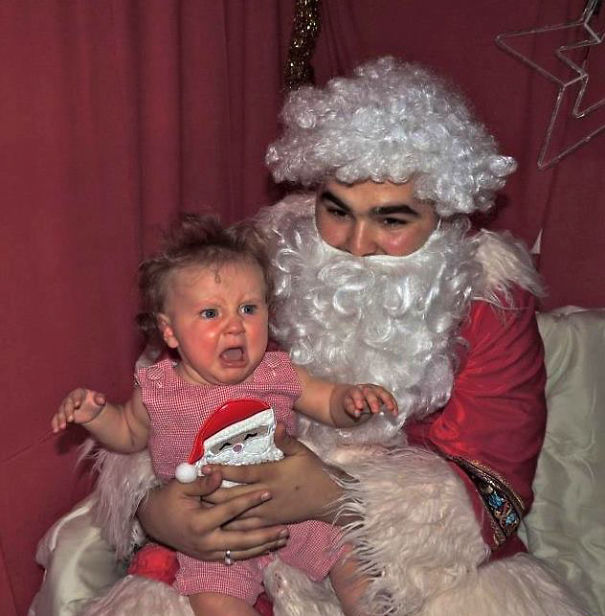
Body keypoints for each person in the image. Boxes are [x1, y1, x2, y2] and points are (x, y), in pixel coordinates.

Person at [34, 56, 587, 616]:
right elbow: (170, 397)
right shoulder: (258, 259)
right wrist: (157, 511)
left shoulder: (490, 299)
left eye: (392, 220)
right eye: (337, 210)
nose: (357, 244)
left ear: (442, 213)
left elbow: (498, 481)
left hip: (409, 556)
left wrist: (337, 496)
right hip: (231, 530)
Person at [50, 214, 397, 616]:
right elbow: (127, 433)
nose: (235, 327)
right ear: (170, 331)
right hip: (214, 532)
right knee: (214, 602)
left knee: (352, 558)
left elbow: (327, 400)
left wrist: (352, 402)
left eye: (248, 308)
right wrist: (95, 415)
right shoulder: (159, 389)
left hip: (292, 507)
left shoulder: (276, 371)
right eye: (211, 314)